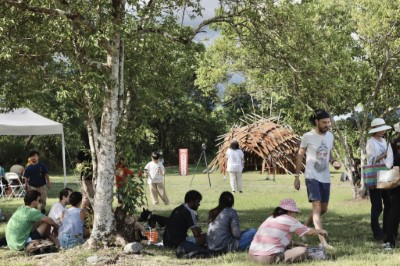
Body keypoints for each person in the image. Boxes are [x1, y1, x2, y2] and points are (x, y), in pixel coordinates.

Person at [294, 109, 340, 248]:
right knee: (316, 206)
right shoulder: (308, 136)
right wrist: (296, 176)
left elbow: (329, 153)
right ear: (316, 122)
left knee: (323, 209)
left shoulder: (330, 136)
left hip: (325, 177)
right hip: (311, 176)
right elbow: (300, 155)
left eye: (328, 122)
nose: (327, 125)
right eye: (324, 122)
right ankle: (323, 242)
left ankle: (303, 228)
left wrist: (333, 162)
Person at [249, 199, 328, 264]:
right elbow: (309, 232)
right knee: (302, 250)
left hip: (252, 255)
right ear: (290, 211)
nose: (295, 215)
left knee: (292, 248)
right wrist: (320, 230)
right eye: (295, 213)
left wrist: (296, 243)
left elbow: (277, 239)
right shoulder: (290, 220)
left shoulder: (271, 218)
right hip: (267, 258)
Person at [366, 118, 393, 242]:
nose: (383, 131)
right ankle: (376, 231)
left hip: (385, 173)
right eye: (380, 129)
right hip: (375, 174)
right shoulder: (370, 142)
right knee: (377, 206)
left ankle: (387, 229)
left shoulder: (384, 141)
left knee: (388, 202)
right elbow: (371, 160)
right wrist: (385, 155)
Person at [384, 122, 400, 250]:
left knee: (394, 211)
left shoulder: (393, 143)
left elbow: (388, 163)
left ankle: (390, 241)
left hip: (396, 180)